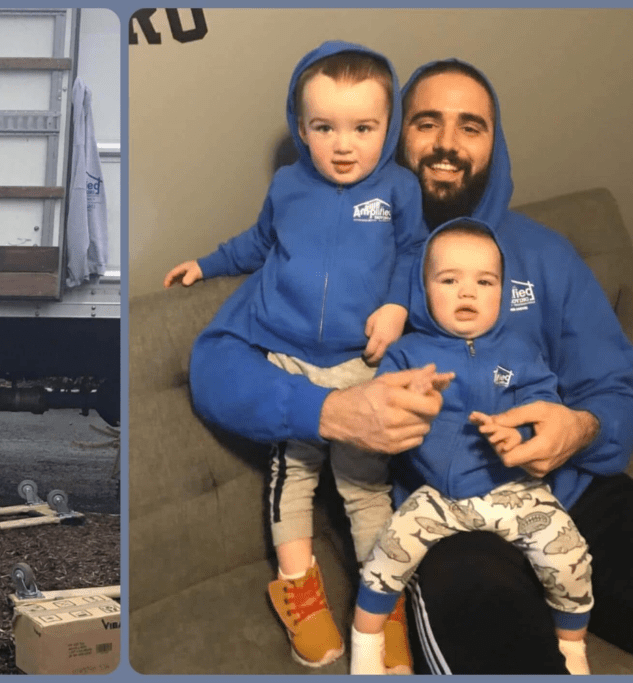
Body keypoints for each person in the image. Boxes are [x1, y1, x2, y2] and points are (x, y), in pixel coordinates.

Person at [169, 41, 427, 671]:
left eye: (363, 128)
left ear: (387, 128)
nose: (343, 145)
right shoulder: (289, 185)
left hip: (359, 364)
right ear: (301, 128)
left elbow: (417, 254)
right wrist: (205, 263)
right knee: (293, 482)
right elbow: (256, 244)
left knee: (367, 491)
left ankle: (381, 602)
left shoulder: (398, 188)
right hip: (286, 360)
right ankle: (300, 592)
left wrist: (396, 306)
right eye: (324, 128)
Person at [391, 60, 633, 674]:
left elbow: (613, 389)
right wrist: (332, 409)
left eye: (471, 126)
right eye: (427, 123)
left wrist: (580, 428)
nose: (447, 144)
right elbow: (218, 364)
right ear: (399, 136)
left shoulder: (546, 252)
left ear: (494, 145)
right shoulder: (360, 259)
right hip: (450, 521)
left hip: (574, 492)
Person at [350, 219, 592, 675]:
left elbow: (542, 408)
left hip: (515, 492)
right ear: (423, 290)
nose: (468, 293)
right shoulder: (408, 353)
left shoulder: (520, 350)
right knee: (387, 555)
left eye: (485, 282)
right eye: (449, 280)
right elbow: (382, 410)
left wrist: (516, 435)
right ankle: (366, 642)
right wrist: (413, 398)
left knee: (570, 554)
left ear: (502, 292)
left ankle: (572, 647)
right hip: (437, 501)